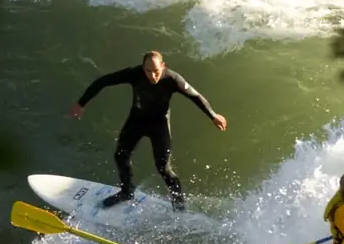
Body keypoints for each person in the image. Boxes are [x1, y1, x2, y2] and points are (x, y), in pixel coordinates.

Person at [69, 50, 228, 211]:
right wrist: (81, 103)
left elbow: (195, 96)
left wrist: (213, 115)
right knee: (120, 155)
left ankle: (179, 206)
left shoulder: (173, 79)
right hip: (137, 121)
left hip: (159, 125)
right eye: (148, 71)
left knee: (163, 167)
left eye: (156, 71)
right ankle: (127, 192)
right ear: (142, 67)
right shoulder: (134, 74)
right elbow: (103, 81)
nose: (152, 76)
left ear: (163, 66)